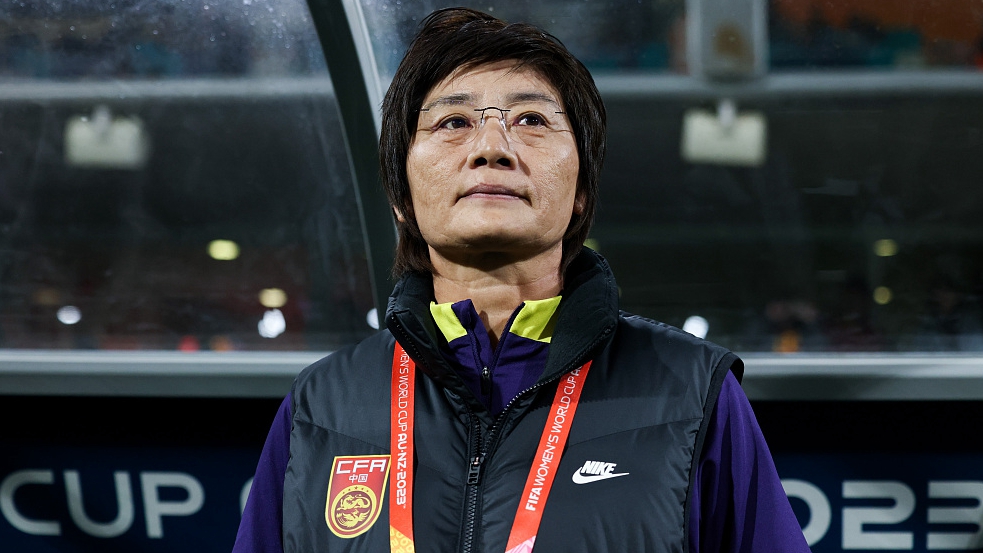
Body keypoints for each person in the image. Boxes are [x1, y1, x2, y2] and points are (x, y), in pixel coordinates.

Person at [234, 8, 810, 553]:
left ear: (582, 188)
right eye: (453, 122)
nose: (491, 148)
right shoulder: (319, 408)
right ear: (400, 196)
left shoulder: (692, 393)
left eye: (531, 120)